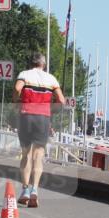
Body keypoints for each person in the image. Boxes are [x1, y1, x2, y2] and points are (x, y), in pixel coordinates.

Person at [13, 52, 65, 208]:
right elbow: (61, 100)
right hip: (43, 118)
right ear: (44, 64)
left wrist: (16, 102)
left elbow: (17, 89)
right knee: (38, 155)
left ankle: (25, 190)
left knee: (26, 154)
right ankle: (35, 189)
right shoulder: (51, 79)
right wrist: (51, 110)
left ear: (31, 63)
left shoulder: (24, 74)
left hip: (26, 116)